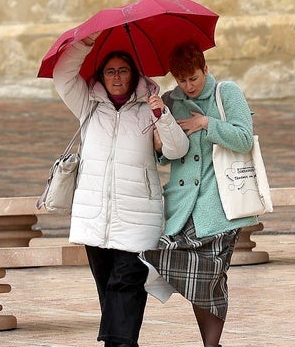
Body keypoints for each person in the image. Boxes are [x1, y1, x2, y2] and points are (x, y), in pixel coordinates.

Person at [52, 33, 189, 347]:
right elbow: (62, 76)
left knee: (126, 283)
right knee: (109, 288)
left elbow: (176, 150)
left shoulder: (150, 107)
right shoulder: (88, 106)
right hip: (94, 218)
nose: (116, 77)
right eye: (110, 71)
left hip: (138, 216)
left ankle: (121, 344)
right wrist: (84, 44)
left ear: (134, 75)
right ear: (101, 76)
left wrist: (162, 116)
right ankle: (124, 343)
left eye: (123, 70)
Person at [142, 42, 258, 347]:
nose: (188, 86)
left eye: (193, 78)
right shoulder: (169, 101)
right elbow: (168, 156)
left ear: (205, 68)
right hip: (183, 207)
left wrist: (206, 123)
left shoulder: (226, 92)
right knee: (194, 277)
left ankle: (210, 345)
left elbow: (244, 138)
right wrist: (158, 142)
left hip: (221, 204)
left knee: (211, 274)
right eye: (181, 80)